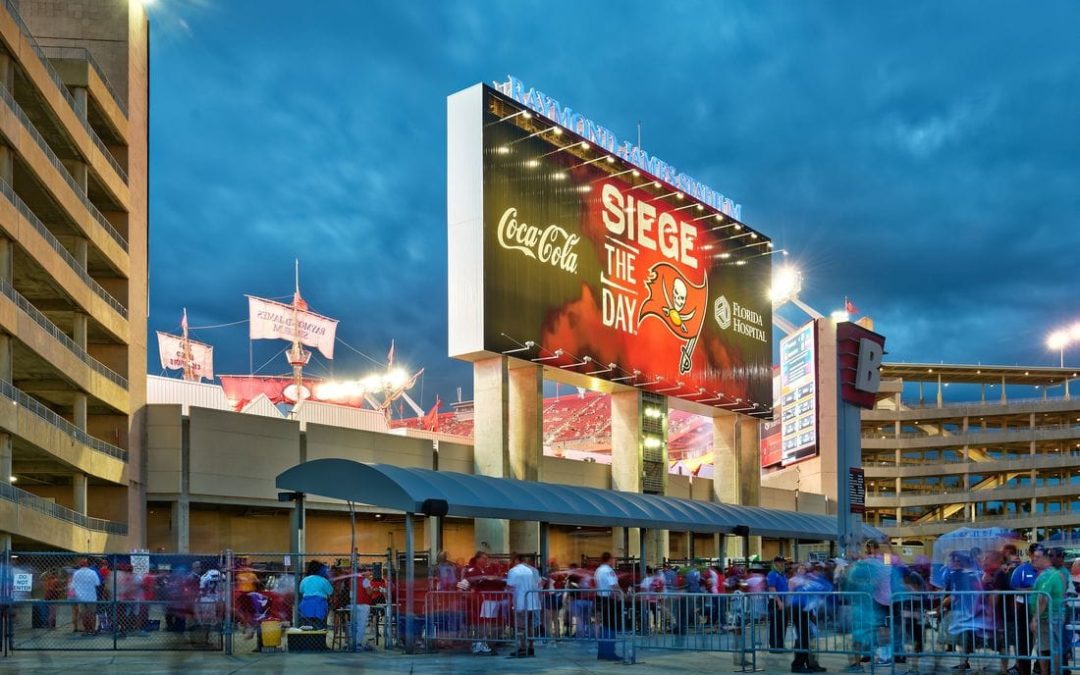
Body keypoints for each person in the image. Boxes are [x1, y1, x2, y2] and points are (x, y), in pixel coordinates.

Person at [1029, 547, 1065, 675]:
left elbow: (1043, 598)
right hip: (1051, 616)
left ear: (1045, 558)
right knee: (1048, 648)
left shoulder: (1048, 575)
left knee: (1046, 649)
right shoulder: (1056, 573)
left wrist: (1035, 619)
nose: (1034, 559)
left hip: (1047, 618)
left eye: (1038, 557)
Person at [1010, 544, 1043, 675]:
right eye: (1036, 556)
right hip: (1025, 609)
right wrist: (1031, 590)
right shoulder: (1021, 570)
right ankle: (1023, 669)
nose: (1038, 559)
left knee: (1044, 641)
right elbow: (1012, 589)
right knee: (1025, 642)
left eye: (1040, 556)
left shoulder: (1046, 571)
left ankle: (1039, 667)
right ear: (1030, 555)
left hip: (1044, 610)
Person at [506, 553, 541, 657]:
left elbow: (510, 586)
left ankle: (522, 648)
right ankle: (531, 647)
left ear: (516, 560)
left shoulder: (514, 571)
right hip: (532, 601)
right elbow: (538, 584)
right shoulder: (532, 570)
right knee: (530, 625)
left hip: (520, 601)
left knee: (521, 626)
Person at [594, 552, 621, 661]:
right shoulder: (608, 570)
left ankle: (602, 652)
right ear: (609, 559)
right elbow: (614, 585)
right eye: (613, 559)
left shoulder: (598, 570)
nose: (614, 561)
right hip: (609, 600)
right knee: (611, 626)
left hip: (600, 599)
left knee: (604, 626)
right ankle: (609, 652)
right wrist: (622, 594)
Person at [297, 559, 334, 629]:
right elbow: (330, 591)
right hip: (319, 606)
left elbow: (301, 590)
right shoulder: (323, 580)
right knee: (320, 628)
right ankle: (319, 639)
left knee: (306, 627)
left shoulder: (304, 580)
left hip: (305, 605)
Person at [70, 559, 101, 636]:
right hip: (91, 597)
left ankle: (86, 630)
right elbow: (97, 583)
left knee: (84, 615)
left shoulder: (76, 573)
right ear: (87, 565)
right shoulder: (92, 572)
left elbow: (73, 586)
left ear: (80, 565)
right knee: (92, 614)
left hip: (80, 597)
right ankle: (93, 630)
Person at [766, 556, 789, 651]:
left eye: (783, 562)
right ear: (775, 563)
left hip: (784, 601)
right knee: (776, 624)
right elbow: (772, 588)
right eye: (780, 562)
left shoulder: (783, 574)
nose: (782, 564)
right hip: (776, 601)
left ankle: (780, 645)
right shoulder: (772, 574)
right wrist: (779, 601)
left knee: (783, 624)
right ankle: (775, 646)